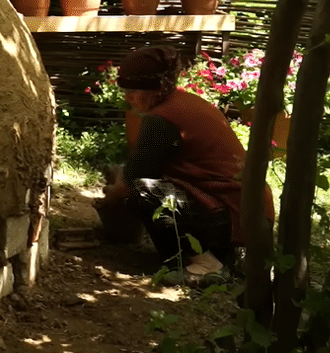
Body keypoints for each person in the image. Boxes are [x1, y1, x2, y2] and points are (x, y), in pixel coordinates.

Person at [96, 45, 273, 284]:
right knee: (131, 179)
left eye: (134, 91)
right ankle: (211, 256)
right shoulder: (183, 102)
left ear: (155, 89)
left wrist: (111, 199)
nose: (128, 98)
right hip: (240, 210)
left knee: (143, 189)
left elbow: (134, 179)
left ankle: (206, 265)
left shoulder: (162, 119)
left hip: (232, 215)